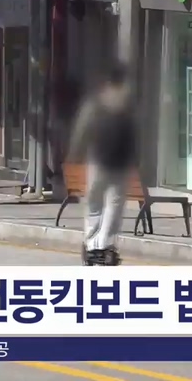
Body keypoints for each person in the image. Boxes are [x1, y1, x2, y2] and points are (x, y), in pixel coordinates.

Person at [66, 64, 138, 266]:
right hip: (120, 164)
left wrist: (74, 153)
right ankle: (105, 244)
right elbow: (134, 135)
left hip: (98, 162)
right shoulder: (128, 105)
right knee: (114, 204)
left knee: (94, 203)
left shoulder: (96, 103)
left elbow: (82, 129)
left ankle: (91, 245)